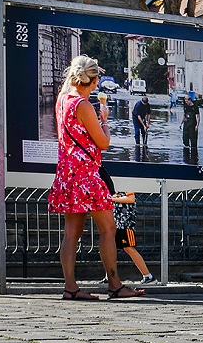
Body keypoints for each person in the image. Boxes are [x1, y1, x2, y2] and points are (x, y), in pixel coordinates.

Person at [48, 54, 144, 300]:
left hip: (67, 172)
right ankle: (115, 285)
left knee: (71, 232)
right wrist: (105, 121)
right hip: (86, 175)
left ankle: (70, 287)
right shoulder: (83, 105)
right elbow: (103, 142)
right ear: (92, 81)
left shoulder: (62, 100)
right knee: (108, 229)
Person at [99, 170, 156, 285]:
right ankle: (109, 276)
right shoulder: (113, 186)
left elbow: (131, 199)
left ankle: (148, 276)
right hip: (116, 222)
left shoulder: (127, 182)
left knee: (129, 248)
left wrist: (112, 198)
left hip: (125, 222)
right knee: (111, 248)